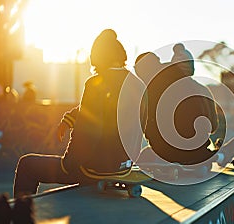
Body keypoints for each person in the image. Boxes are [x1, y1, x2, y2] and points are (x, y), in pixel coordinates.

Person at [13, 29, 145, 198]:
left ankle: (20, 216)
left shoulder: (96, 83)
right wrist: (69, 119)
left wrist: (70, 163)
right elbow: (108, 113)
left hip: (95, 169)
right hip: (124, 166)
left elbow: (90, 130)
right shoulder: (138, 85)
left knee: (27, 164)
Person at [134, 51, 234, 166]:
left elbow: (145, 127)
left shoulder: (148, 91)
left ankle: (213, 158)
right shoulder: (203, 90)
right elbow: (213, 127)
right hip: (196, 152)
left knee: (145, 155)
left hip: (163, 152)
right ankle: (218, 156)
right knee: (195, 153)